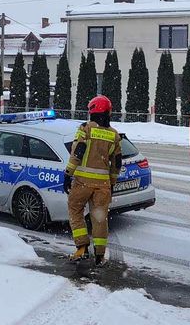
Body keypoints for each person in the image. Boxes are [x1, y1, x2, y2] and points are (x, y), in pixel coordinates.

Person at [63, 95, 122, 267]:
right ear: (108, 112)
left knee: (75, 210)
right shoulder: (114, 135)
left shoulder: (86, 129)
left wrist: (68, 173)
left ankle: (81, 248)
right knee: (100, 218)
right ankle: (99, 255)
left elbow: (77, 153)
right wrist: (112, 182)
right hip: (103, 185)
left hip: (82, 182)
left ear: (92, 111)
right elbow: (117, 163)